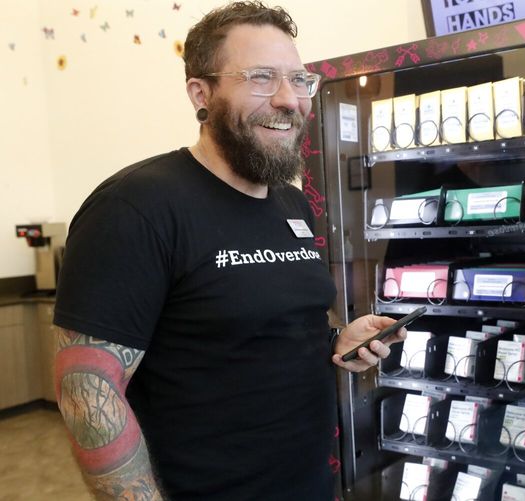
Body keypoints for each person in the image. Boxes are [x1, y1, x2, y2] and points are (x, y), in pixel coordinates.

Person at [52, 2, 405, 500]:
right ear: (201, 94)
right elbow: (88, 394)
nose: (289, 100)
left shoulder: (292, 203)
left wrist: (335, 341)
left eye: (298, 80)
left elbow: (253, 327)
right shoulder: (135, 207)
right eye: (261, 77)